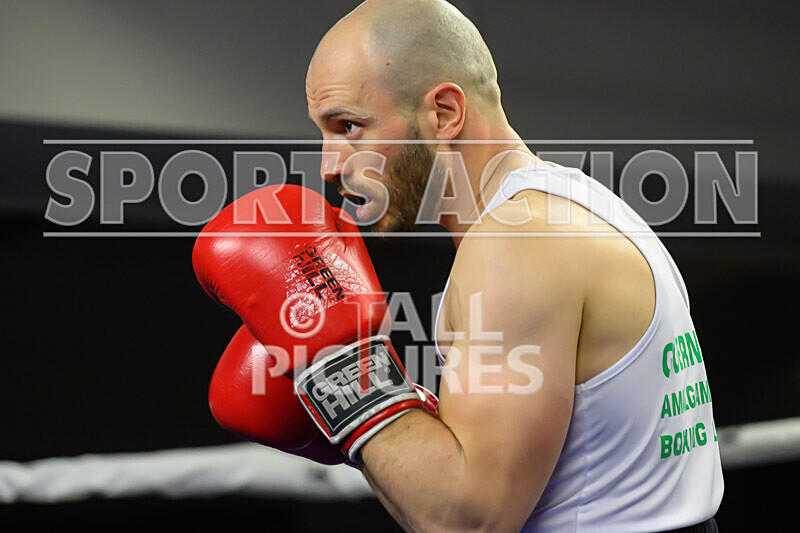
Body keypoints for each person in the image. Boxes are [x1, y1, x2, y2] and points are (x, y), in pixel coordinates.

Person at [196, 0, 723, 531]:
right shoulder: (576, 203)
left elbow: (467, 520)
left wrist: (339, 370)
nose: (330, 165)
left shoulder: (518, 245)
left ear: (444, 113)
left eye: (350, 126)